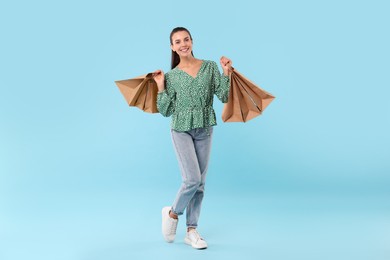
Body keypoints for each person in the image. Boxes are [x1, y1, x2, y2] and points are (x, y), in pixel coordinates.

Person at [153, 27, 232, 250]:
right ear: (172, 47)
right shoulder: (171, 76)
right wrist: (160, 86)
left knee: (200, 184)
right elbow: (166, 110)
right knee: (192, 180)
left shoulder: (209, 67)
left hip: (205, 128)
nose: (183, 44)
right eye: (177, 42)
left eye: (186, 39)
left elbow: (224, 95)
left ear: (192, 42)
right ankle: (172, 213)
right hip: (181, 130)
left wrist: (226, 72)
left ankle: (192, 230)